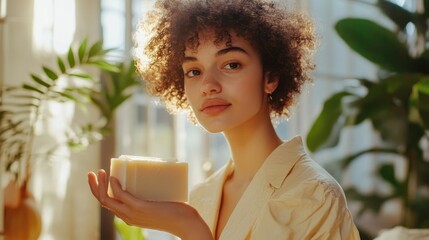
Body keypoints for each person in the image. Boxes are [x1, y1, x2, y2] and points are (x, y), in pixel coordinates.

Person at [87, 0, 361, 239]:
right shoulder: (201, 195)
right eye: (194, 71)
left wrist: (189, 227)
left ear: (271, 77)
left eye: (231, 64)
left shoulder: (315, 196)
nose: (208, 85)